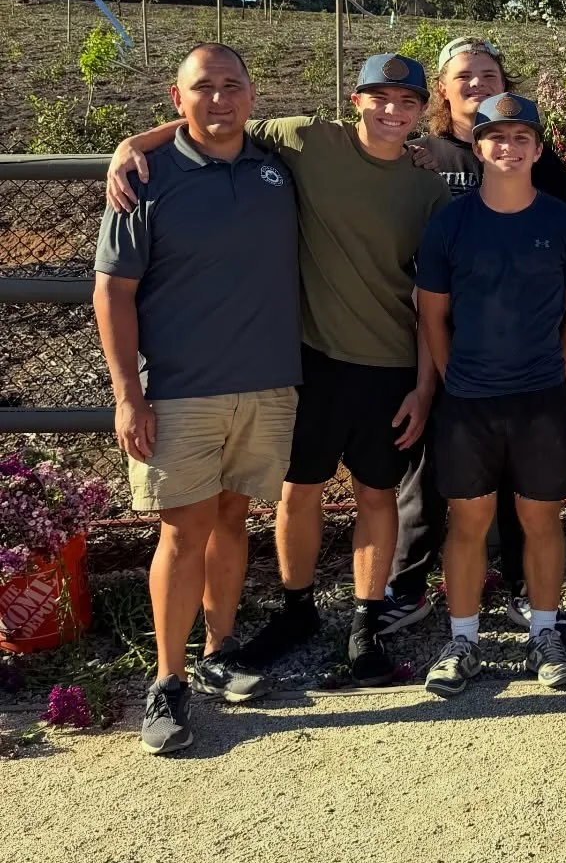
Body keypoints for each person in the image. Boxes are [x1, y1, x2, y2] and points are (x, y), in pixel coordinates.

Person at [105, 53, 451, 686]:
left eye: (407, 101)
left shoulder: (429, 189)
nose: (393, 110)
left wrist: (426, 387)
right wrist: (132, 142)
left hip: (390, 366)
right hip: (306, 361)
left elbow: (433, 300)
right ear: (355, 99)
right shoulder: (307, 139)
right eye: (380, 97)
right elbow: (212, 122)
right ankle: (297, 612)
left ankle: (364, 625)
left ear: (423, 111)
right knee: (299, 490)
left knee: (377, 496)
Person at [93, 44, 301, 755]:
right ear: (176, 98)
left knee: (232, 519)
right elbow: (112, 292)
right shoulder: (143, 179)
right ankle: (168, 681)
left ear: (253, 93)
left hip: (268, 384)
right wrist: (128, 396)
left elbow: (364, 139)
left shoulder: (278, 166)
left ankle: (219, 650)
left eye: (231, 85)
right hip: (180, 392)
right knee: (181, 533)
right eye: (202, 88)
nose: (219, 99)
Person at [380, 36, 566, 638]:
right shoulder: (422, 152)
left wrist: (557, 358)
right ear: (441, 91)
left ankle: (527, 591)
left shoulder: (537, 159)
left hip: (524, 352)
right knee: (426, 471)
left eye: (488, 73)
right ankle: (412, 587)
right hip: (436, 338)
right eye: (463, 75)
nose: (476, 83)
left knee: (527, 483)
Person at [416, 92, 566, 695]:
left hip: (540, 400)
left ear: (537, 149)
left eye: (522, 138)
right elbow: (433, 318)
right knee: (468, 523)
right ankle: (463, 640)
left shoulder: (564, 225)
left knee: (541, 520)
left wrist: (552, 371)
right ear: (478, 145)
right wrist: (455, 378)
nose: (509, 148)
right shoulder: (450, 223)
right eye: (497, 137)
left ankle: (544, 634)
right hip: (468, 403)